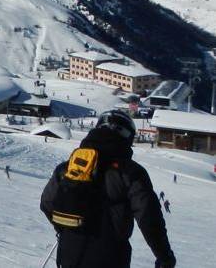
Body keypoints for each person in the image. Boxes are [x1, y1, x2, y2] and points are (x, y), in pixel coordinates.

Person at [40, 109, 174, 268]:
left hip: (69, 254)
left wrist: (67, 227)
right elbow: (148, 217)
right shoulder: (130, 172)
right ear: (127, 137)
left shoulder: (69, 167)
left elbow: (47, 203)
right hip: (111, 255)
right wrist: (164, 256)